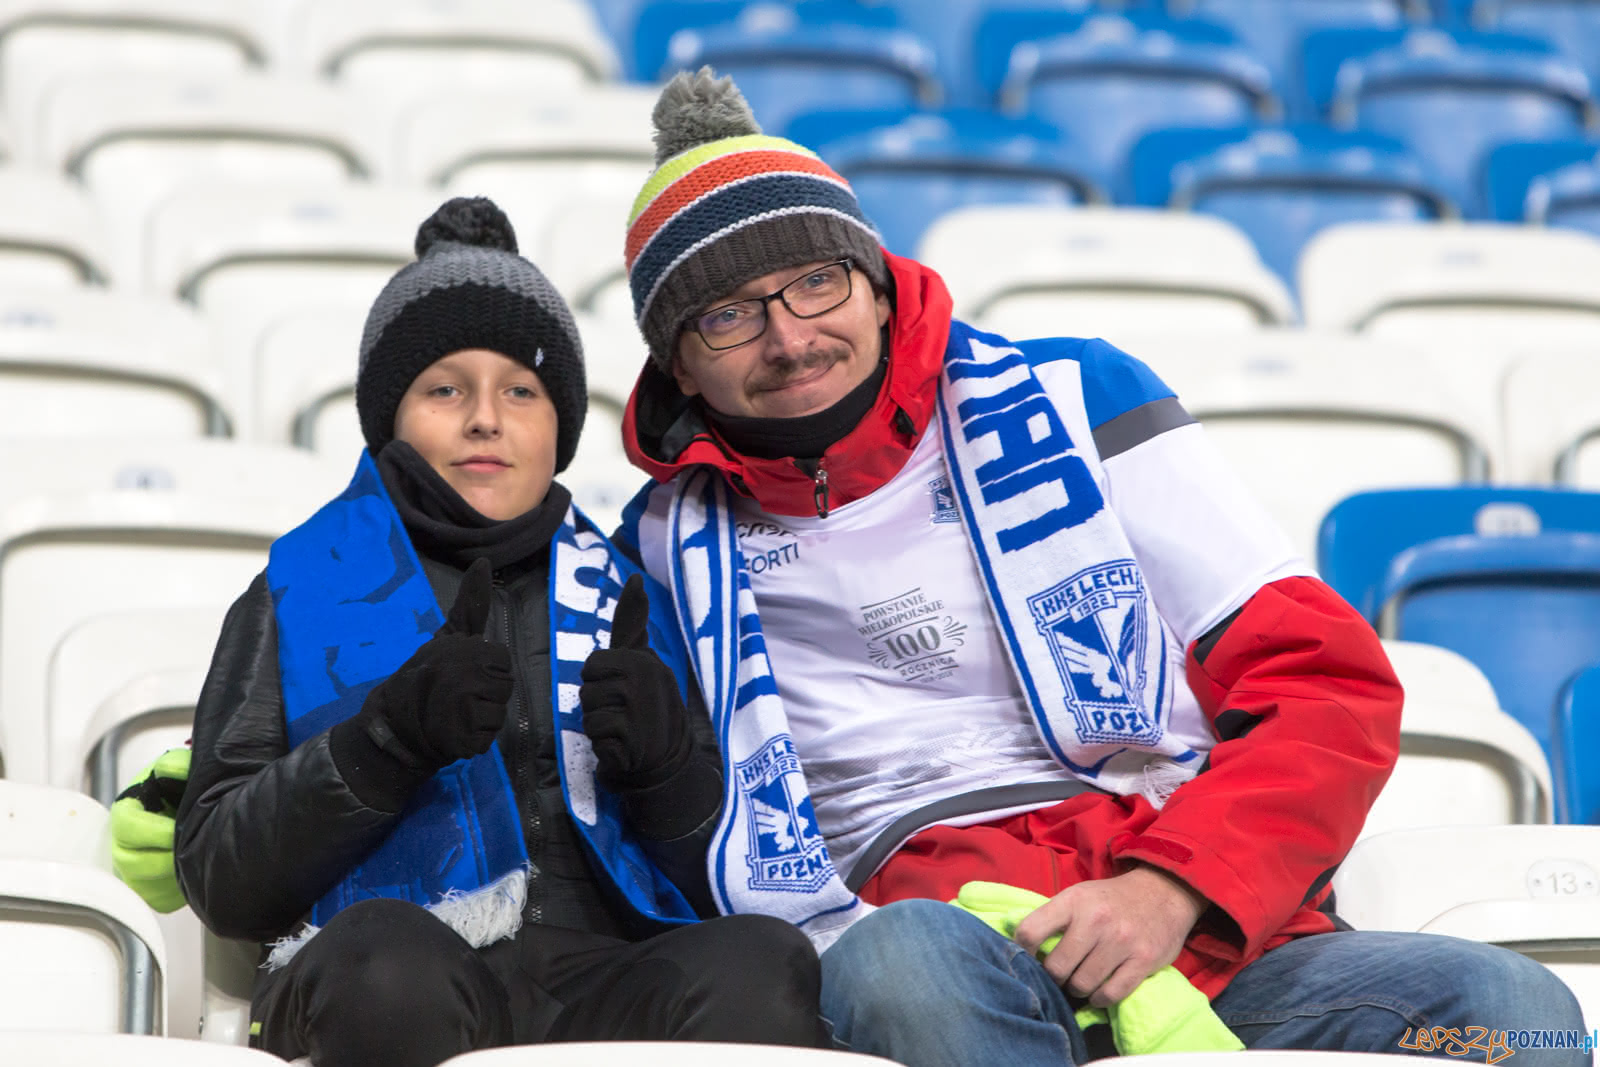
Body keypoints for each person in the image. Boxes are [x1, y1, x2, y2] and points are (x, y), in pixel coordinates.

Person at [611, 69, 1587, 1065]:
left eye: (816, 281)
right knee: (907, 964)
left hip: (1192, 929)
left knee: (1514, 1006)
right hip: (932, 955)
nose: (789, 335)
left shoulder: (1082, 399)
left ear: (872, 276)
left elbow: (1325, 683)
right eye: (727, 316)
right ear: (677, 362)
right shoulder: (654, 552)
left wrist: (1168, 892)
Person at [174, 196, 830, 1065]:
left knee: (762, 964)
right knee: (387, 964)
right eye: (446, 388)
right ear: (390, 419)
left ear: (558, 429)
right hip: (385, 967)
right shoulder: (298, 586)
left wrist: (667, 774)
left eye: (520, 390)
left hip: (603, 975)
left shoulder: (633, 593)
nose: (486, 417)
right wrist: (383, 743)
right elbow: (222, 874)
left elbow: (733, 872)